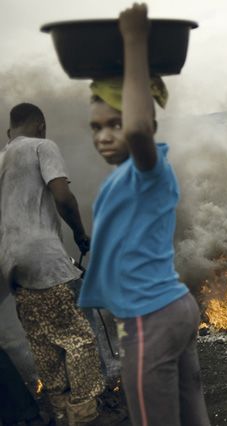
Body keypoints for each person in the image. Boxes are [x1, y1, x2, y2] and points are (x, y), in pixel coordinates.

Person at [77, 4, 210, 426]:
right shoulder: (125, 177)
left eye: (113, 124)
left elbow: (137, 130)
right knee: (193, 414)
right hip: (174, 309)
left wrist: (134, 41)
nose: (103, 136)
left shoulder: (149, 170)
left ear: (146, 122)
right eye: (96, 127)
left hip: (149, 320)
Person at [0, 102, 104, 425]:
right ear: (41, 126)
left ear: (8, 133)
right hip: (43, 260)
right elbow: (62, 196)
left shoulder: (2, 158)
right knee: (78, 339)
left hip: (12, 267)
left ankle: (60, 410)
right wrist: (80, 232)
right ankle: (84, 415)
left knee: (44, 342)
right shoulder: (43, 146)